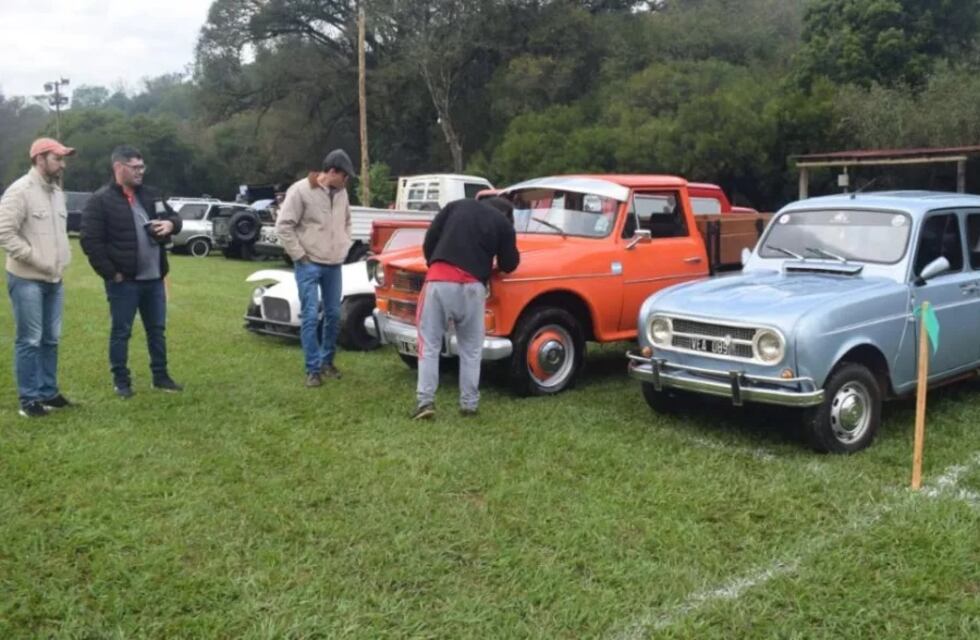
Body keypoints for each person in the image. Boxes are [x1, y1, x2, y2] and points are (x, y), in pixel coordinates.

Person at [80, 145, 183, 398]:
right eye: (135, 167)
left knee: (157, 330)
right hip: (124, 281)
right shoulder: (100, 200)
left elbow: (176, 219)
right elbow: (90, 241)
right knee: (121, 331)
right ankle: (121, 381)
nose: (140, 172)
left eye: (142, 167)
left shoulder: (151, 195)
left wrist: (170, 224)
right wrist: (112, 273)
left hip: (155, 278)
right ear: (119, 167)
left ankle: (160, 376)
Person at [412, 197, 520, 420]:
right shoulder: (503, 224)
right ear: (508, 214)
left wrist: (434, 261)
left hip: (439, 281)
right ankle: (469, 404)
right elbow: (509, 263)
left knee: (429, 345)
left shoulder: (458, 205)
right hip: (474, 287)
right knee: (471, 350)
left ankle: (426, 402)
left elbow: (430, 238)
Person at [0, 138, 75, 417]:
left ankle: (48, 392)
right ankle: (29, 399)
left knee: (51, 338)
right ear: (40, 159)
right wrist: (36, 258)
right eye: (58, 158)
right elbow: (5, 233)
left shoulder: (57, 193)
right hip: (26, 278)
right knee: (30, 339)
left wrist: (59, 262)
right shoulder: (19, 191)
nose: (63, 164)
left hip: (54, 279)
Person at [276, 149, 355, 387]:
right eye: (345, 176)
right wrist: (300, 256)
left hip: (334, 264)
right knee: (310, 316)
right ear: (332, 172)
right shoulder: (300, 190)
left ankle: (327, 361)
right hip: (309, 263)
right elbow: (284, 226)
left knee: (333, 314)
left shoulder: (342, 193)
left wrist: (344, 244)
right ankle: (313, 369)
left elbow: (347, 221)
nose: (347, 181)